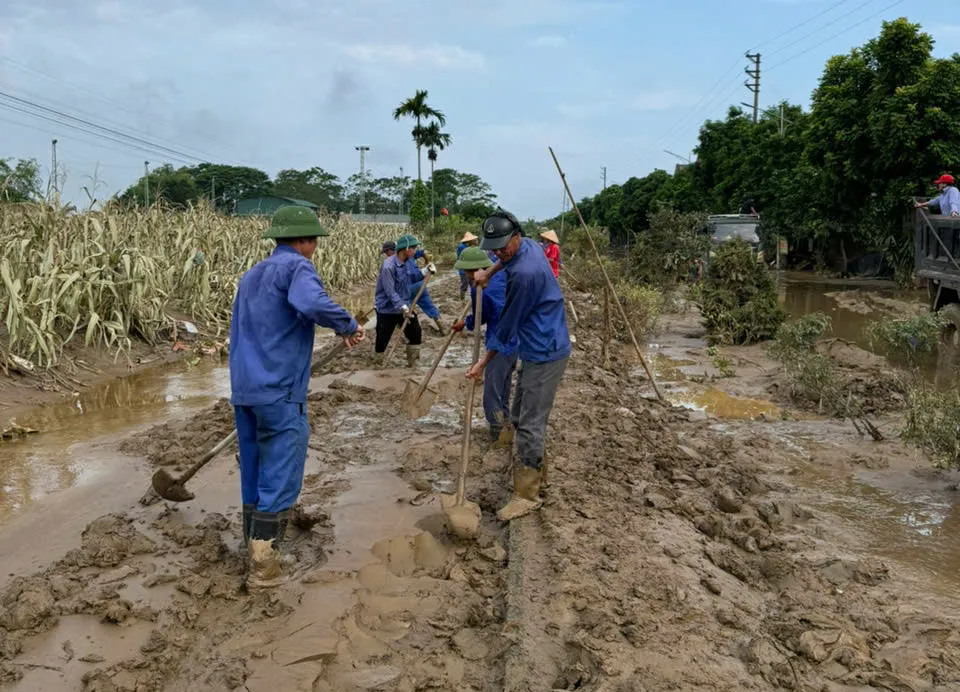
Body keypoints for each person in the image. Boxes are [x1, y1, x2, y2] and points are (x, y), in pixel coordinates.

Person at [229, 206, 365, 588]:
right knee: (282, 467)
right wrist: (348, 324)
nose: (315, 249)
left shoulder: (252, 274)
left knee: (253, 466)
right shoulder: (297, 268)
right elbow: (312, 303)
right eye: (314, 242)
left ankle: (251, 544)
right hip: (279, 388)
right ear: (305, 241)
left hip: (245, 388)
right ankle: (265, 565)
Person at [468, 210, 571, 522]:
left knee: (529, 422)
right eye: (494, 248)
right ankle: (538, 471)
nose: (499, 252)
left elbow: (507, 327)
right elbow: (508, 259)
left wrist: (482, 363)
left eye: (503, 247)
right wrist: (490, 271)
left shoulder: (525, 275)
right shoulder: (526, 245)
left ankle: (527, 494)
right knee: (519, 409)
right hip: (536, 343)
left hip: (545, 350)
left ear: (516, 236)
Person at [451, 246, 518, 442]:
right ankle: (506, 423)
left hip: (500, 342)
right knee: (503, 387)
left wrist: (470, 323)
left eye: (465, 271)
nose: (465, 274)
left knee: (492, 392)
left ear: (472, 270)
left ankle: (498, 432)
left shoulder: (481, 288)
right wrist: (467, 323)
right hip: (517, 339)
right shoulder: (504, 275)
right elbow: (483, 314)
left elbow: (487, 315)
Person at [375, 233, 423, 367]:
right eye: (413, 248)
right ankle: (379, 362)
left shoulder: (409, 262)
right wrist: (403, 307)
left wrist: (424, 272)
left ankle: (413, 363)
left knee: (415, 332)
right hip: (387, 308)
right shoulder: (388, 266)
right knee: (383, 338)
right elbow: (390, 292)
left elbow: (412, 277)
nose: (415, 250)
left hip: (405, 304)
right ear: (405, 249)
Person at [404, 242, 444, 335]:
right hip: (420, 284)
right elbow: (424, 252)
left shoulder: (398, 260)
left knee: (406, 309)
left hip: (408, 287)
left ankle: (408, 330)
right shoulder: (411, 254)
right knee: (429, 306)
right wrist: (428, 262)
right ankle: (442, 327)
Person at [456, 232, 479, 301]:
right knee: (465, 285)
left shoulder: (468, 246)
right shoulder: (462, 247)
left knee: (473, 285)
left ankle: (474, 298)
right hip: (464, 270)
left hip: (470, 269)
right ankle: (462, 299)